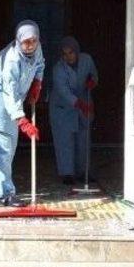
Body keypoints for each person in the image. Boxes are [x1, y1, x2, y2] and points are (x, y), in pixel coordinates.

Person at [0, 20, 44, 208]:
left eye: (33, 41)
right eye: (25, 42)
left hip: (11, 105)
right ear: (18, 41)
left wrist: (37, 83)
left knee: (2, 148)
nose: (30, 46)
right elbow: (9, 92)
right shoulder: (11, 60)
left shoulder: (37, 49)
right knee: (2, 148)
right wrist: (22, 121)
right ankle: (7, 193)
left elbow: (40, 64)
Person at [48, 36, 98, 186]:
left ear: (76, 51)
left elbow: (94, 74)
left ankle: (83, 172)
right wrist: (81, 105)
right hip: (63, 108)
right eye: (64, 54)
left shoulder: (87, 60)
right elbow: (64, 92)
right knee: (64, 141)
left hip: (84, 103)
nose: (68, 57)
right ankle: (67, 173)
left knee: (83, 140)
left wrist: (92, 81)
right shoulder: (59, 69)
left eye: (71, 53)